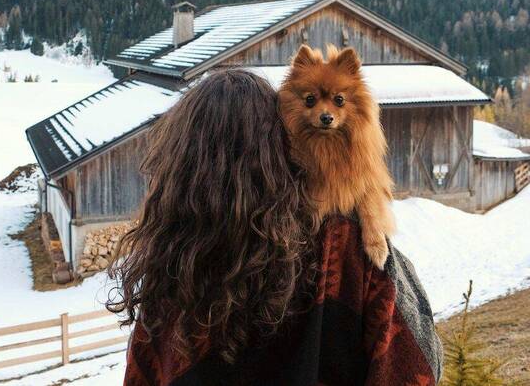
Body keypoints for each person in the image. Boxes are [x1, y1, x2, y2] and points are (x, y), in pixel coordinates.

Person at [107, 69, 443, 386]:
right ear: (282, 148)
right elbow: (418, 363)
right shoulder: (342, 244)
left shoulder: (172, 277)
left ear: (178, 172)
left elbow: (142, 376)